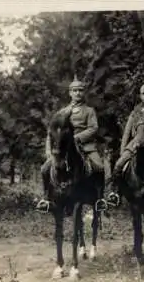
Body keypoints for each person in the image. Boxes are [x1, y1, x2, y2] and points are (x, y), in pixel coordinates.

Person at [37, 75, 105, 209]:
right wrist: (48, 150)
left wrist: (77, 138)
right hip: (65, 149)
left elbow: (93, 128)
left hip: (86, 147)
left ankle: (100, 199)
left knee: (100, 167)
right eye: (74, 90)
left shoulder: (89, 111)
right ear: (70, 93)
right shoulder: (62, 112)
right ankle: (46, 198)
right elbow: (52, 132)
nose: (77, 93)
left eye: (80, 90)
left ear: (83, 92)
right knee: (45, 169)